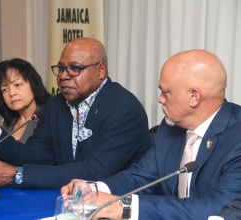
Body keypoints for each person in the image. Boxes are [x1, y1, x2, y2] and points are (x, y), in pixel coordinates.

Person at [61, 49, 241, 219]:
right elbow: (140, 176)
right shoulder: (171, 126)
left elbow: (217, 208)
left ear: (194, 96)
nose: (160, 99)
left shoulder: (237, 138)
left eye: (166, 92)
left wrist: (124, 206)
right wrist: (93, 189)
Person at [0, 37, 152, 189]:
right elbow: (33, 156)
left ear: (100, 71)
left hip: (115, 204)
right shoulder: (56, 105)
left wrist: (17, 175)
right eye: (60, 69)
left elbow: (96, 170)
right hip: (70, 199)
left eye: (74, 69)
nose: (63, 76)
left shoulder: (124, 108)